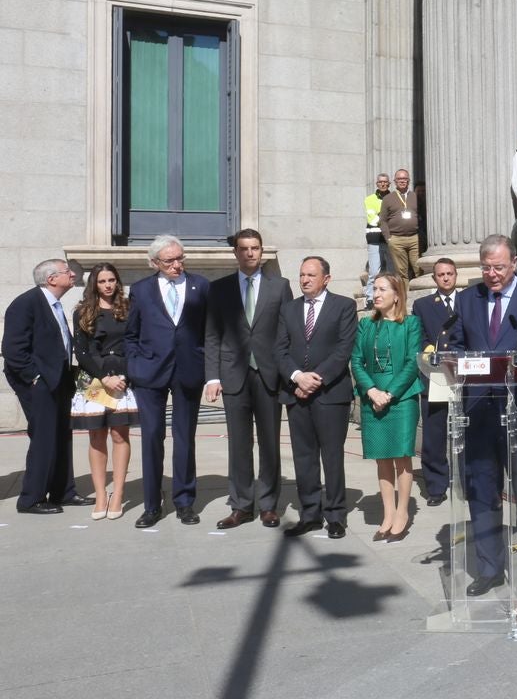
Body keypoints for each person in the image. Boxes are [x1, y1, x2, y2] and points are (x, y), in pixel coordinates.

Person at [444, 235, 517, 598]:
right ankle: (489, 568)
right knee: (481, 493)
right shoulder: (467, 299)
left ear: (515, 263)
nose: (491, 274)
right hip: (478, 411)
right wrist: (454, 359)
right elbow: (458, 346)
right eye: (486, 267)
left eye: (498, 267)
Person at [203, 230, 292, 529]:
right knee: (239, 444)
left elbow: (286, 334)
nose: (250, 254)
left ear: (262, 251)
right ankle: (241, 505)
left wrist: (286, 372)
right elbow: (212, 335)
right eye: (244, 249)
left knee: (269, 444)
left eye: (255, 248)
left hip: (268, 375)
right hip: (233, 375)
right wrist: (212, 377)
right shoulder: (219, 289)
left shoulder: (280, 287)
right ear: (236, 253)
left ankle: (268, 505)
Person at [126, 235, 210, 527]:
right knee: (151, 438)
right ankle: (152, 505)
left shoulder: (201, 286)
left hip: (188, 371)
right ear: (154, 263)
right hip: (150, 373)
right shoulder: (141, 290)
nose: (177, 265)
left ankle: (185, 501)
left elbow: (210, 332)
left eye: (180, 258)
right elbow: (131, 334)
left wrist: (209, 370)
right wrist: (135, 364)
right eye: (170, 260)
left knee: (184, 439)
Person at [275, 256, 358, 539]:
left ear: (326, 278)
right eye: (302, 275)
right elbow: (280, 350)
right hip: (296, 394)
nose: (305, 280)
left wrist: (315, 379)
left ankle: (335, 515)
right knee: (304, 457)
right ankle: (310, 514)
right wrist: (297, 377)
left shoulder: (344, 306)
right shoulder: (289, 309)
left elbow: (343, 349)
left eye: (311, 275)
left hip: (331, 394)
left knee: (332, 456)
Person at [4, 258, 82, 513]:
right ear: (51, 279)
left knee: (61, 435)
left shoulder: (55, 304)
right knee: (44, 437)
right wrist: (34, 378)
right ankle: (31, 498)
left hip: (59, 380)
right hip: (38, 383)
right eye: (66, 271)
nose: (72, 274)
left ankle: (63, 492)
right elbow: (12, 350)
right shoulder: (26, 304)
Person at [351, 272, 424, 542]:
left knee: (402, 457)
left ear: (397, 295)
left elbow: (411, 362)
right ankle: (388, 513)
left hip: (402, 398)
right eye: (375, 289)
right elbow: (356, 361)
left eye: (382, 289)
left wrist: (390, 393)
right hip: (373, 397)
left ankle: (403, 513)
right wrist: (371, 390)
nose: (376, 294)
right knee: (382, 458)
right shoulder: (366, 325)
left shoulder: (411, 324)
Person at [71, 263, 137, 519]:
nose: (108, 285)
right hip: (95, 380)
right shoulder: (83, 311)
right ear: (94, 285)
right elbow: (82, 351)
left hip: (124, 377)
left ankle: (118, 494)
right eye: (102, 281)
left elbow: (136, 344)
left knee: (120, 436)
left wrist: (124, 375)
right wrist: (104, 377)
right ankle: (101, 494)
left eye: (112, 280)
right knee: (96, 437)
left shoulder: (128, 309)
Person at [410, 258, 460, 506]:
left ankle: (468, 482)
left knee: (468, 428)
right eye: (441, 274)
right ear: (434, 278)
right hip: (436, 373)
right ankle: (436, 486)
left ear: (456, 275)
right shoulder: (422, 305)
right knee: (434, 433)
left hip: (464, 372)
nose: (446, 278)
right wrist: (429, 350)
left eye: (450, 273)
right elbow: (417, 337)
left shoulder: (469, 301)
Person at [379, 168, 421, 280]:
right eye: (399, 179)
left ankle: (421, 295)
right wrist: (388, 238)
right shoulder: (388, 198)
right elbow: (382, 220)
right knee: (401, 272)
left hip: (414, 238)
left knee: (419, 268)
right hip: (396, 239)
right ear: (394, 181)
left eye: (405, 179)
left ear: (409, 181)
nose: (402, 181)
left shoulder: (415, 196)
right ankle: (405, 296)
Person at [363, 173, 390, 299]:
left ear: (389, 183)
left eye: (385, 182)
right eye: (380, 182)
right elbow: (372, 220)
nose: (383, 184)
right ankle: (369, 298)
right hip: (374, 239)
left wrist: (381, 215)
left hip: (390, 239)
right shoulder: (369, 199)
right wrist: (388, 217)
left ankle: (390, 295)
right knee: (374, 272)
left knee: (391, 271)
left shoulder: (394, 198)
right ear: (377, 184)